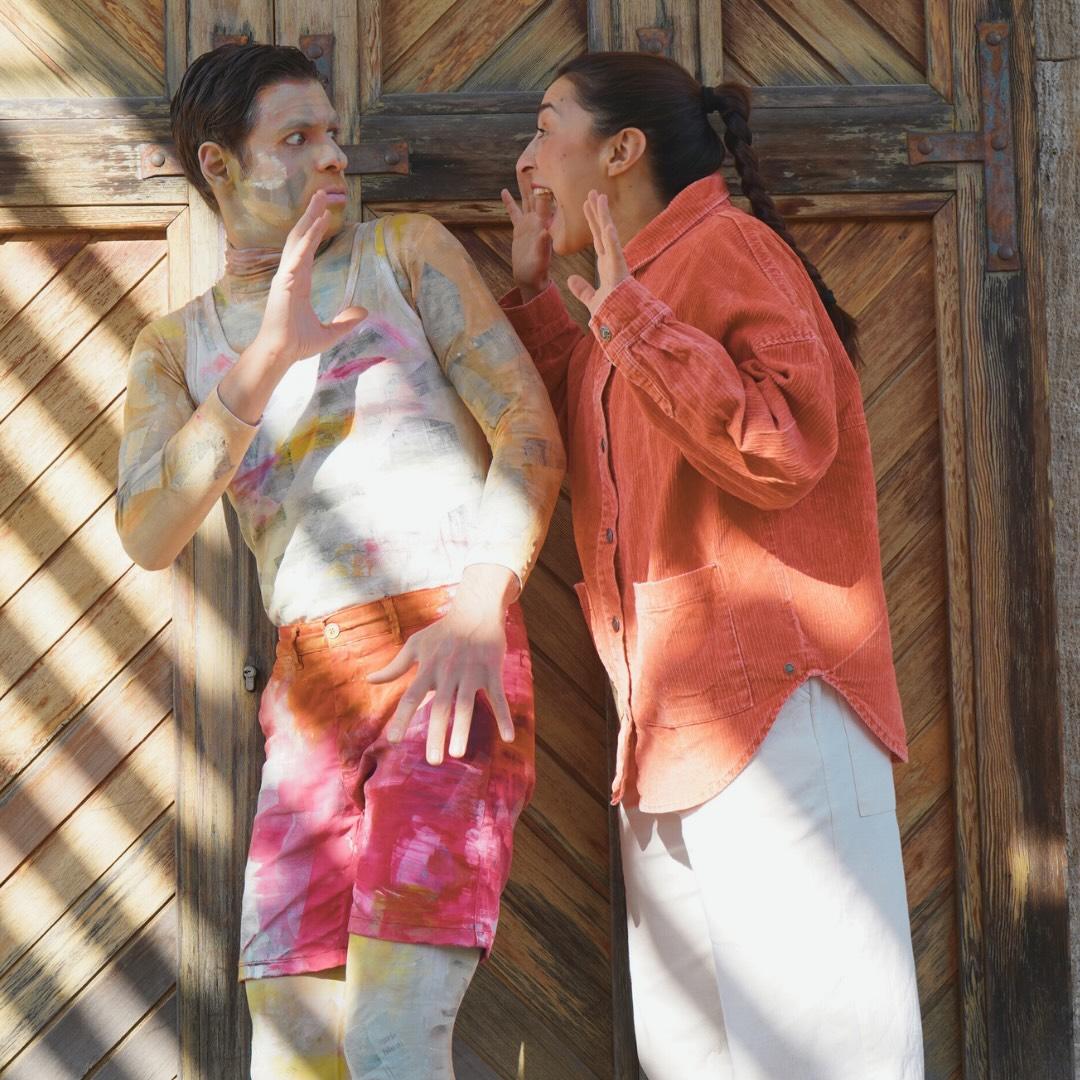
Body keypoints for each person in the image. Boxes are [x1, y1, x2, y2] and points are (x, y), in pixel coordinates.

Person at [116, 43, 564, 1079]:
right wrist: (266, 356)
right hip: (309, 681)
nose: (334, 161)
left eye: (332, 134)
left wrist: (477, 613)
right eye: (297, 139)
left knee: (394, 1039)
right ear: (219, 167)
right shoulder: (172, 346)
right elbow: (148, 531)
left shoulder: (405, 254)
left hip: (448, 654)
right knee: (292, 1050)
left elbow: (529, 435)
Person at [499, 52, 924, 1080]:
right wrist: (541, 294)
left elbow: (780, 445)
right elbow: (602, 432)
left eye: (547, 124)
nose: (524, 159)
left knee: (825, 1053)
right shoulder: (627, 285)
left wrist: (626, 312)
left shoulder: (725, 248)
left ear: (621, 151)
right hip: (670, 723)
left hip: (779, 709)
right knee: (696, 1055)